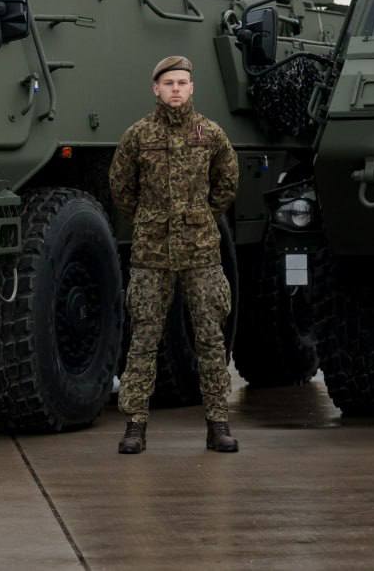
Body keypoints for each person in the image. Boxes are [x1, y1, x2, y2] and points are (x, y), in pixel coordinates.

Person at [109, 55, 240, 454]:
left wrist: (201, 216)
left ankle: (218, 424)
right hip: (152, 252)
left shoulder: (210, 134)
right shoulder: (139, 135)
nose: (176, 89)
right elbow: (121, 187)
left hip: (201, 251)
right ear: (156, 89)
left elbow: (227, 181)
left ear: (192, 87)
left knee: (210, 339)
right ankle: (135, 425)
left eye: (182, 82)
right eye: (169, 83)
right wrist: (149, 218)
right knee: (143, 339)